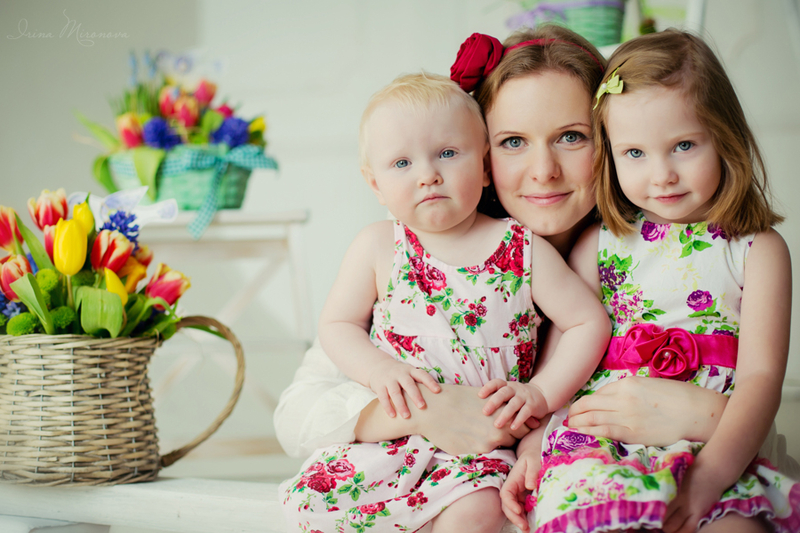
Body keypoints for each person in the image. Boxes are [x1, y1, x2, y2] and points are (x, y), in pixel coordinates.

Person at [274, 24, 793, 531]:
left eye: (571, 137)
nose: (544, 170)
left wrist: (707, 414)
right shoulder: (418, 253)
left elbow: (753, 398)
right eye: (513, 141)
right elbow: (297, 413)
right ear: (481, 153)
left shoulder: (664, 252)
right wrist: (423, 411)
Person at [279, 71, 611, 533]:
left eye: (448, 154)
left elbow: (588, 323)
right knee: (309, 502)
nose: (428, 175)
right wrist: (378, 370)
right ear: (375, 185)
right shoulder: (379, 246)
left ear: (485, 165)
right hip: (393, 436)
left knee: (477, 512)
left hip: (479, 445)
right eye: (401, 163)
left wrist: (539, 393)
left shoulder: (521, 247)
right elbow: (338, 325)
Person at [518, 29, 800, 533]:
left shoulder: (757, 251)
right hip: (602, 442)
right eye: (635, 153)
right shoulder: (597, 245)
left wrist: (712, 475)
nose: (662, 174)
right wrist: (531, 448)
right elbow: (561, 366)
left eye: (683, 145)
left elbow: (761, 380)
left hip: (715, 442)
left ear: (724, 137)